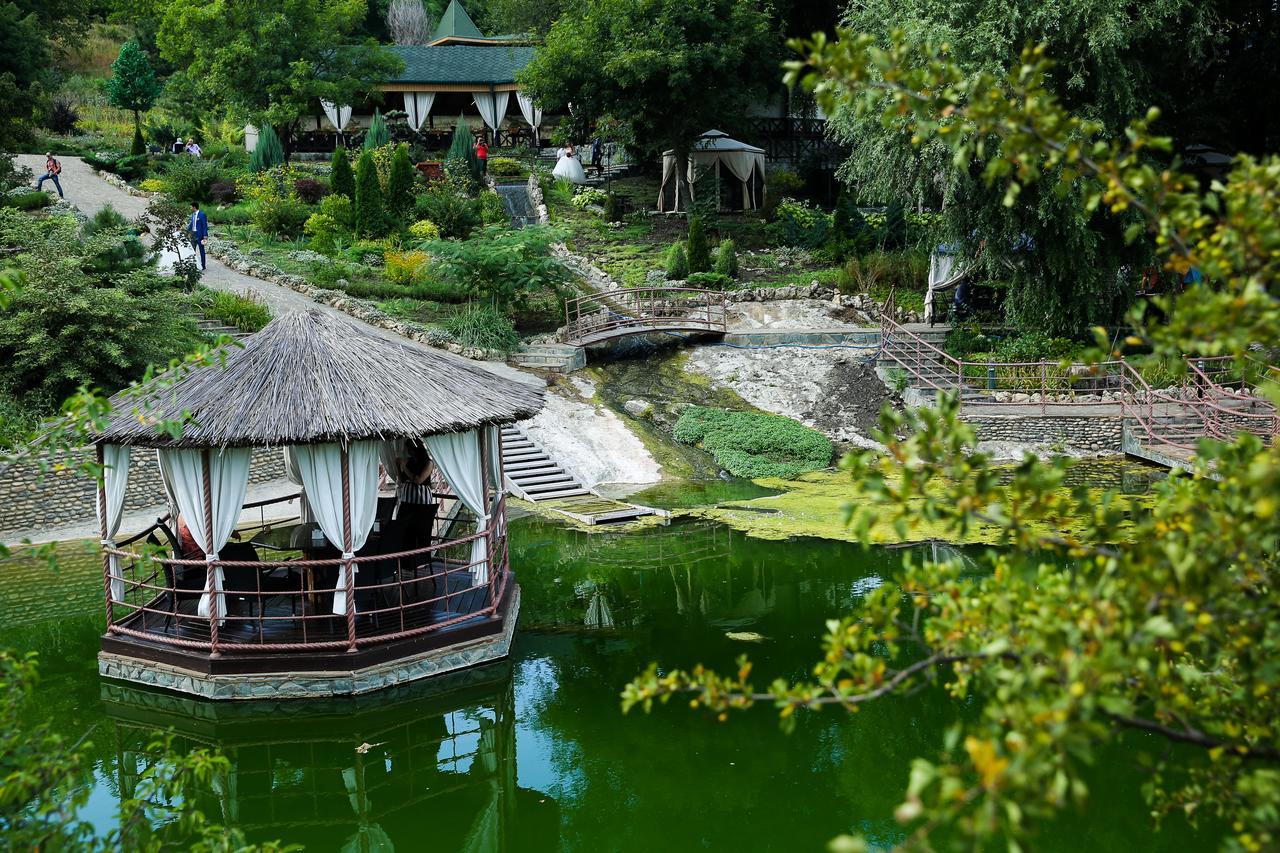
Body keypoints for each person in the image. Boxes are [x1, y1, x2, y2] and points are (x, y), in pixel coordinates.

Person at [396, 441, 437, 549]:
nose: (409, 452)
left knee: (421, 527)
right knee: (405, 527)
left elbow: (419, 480)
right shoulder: (409, 461)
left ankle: (421, 557)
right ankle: (407, 556)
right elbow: (402, 480)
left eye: (410, 449)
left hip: (421, 498)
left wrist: (404, 468)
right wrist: (398, 466)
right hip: (407, 498)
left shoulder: (428, 463)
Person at [187, 201, 209, 270]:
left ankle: (203, 265)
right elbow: (191, 225)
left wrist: (205, 235)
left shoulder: (202, 215)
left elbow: (205, 225)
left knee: (201, 250)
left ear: (194, 207)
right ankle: (193, 264)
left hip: (200, 235)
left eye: (191, 207)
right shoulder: (192, 215)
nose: (190, 208)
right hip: (193, 234)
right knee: (192, 250)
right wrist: (186, 231)